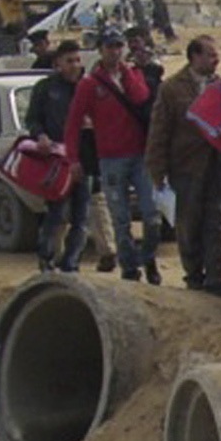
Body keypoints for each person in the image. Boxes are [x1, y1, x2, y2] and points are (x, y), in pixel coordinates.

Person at [65, 26, 159, 284]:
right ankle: (130, 268)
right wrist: (73, 159)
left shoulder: (132, 75)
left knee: (152, 216)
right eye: (110, 47)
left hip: (139, 155)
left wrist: (127, 73)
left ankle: (148, 258)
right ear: (101, 50)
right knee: (120, 219)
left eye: (119, 47)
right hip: (111, 158)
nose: (115, 52)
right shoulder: (89, 85)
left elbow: (141, 98)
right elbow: (73, 123)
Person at [145, 35, 221, 294]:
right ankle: (194, 275)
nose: (216, 61)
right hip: (185, 166)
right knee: (188, 224)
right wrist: (157, 171)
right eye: (210, 55)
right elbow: (160, 131)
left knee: (215, 224)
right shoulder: (172, 89)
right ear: (195, 57)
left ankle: (216, 278)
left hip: (215, 166)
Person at [26, 42, 93, 273]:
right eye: (69, 61)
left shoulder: (89, 87)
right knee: (56, 214)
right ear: (58, 64)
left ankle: (71, 264)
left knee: (82, 218)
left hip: (84, 160)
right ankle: (46, 259)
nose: (75, 65)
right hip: (56, 160)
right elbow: (32, 119)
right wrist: (41, 136)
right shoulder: (46, 88)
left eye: (77, 60)